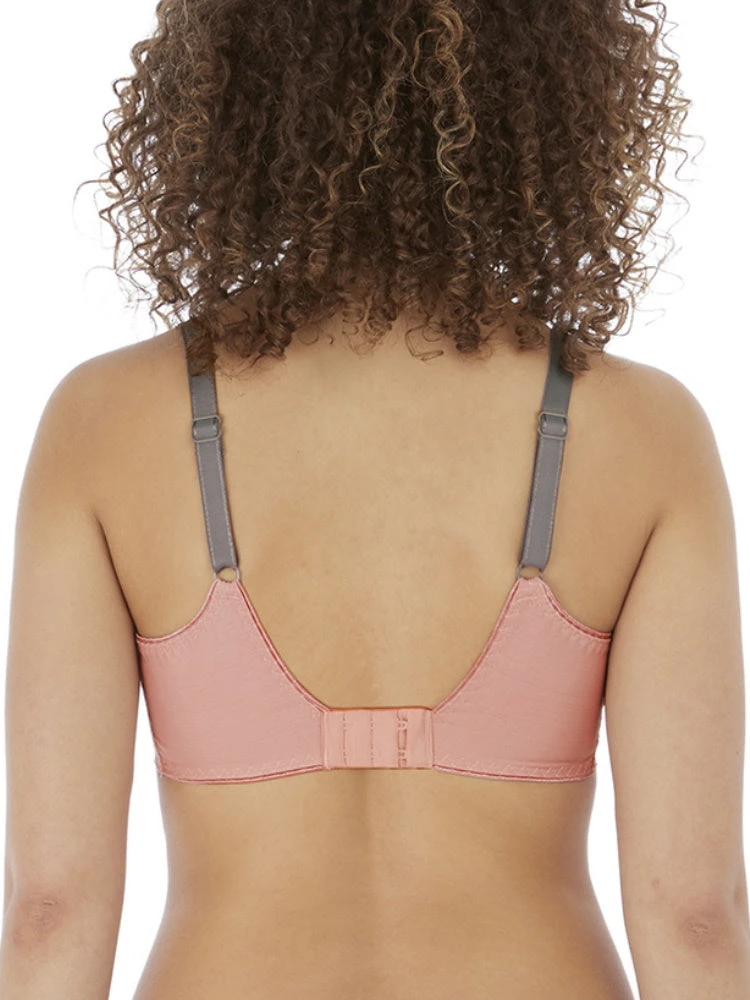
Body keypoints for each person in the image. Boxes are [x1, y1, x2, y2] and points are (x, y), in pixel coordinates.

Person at [2, 1, 749, 998]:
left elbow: (49, 908)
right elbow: (695, 915)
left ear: (237, 86)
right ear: (546, 91)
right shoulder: (644, 433)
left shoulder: (104, 424)